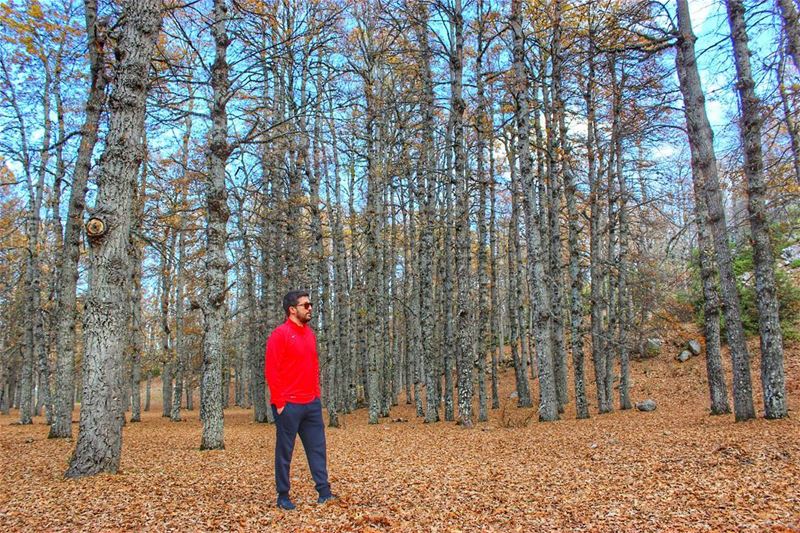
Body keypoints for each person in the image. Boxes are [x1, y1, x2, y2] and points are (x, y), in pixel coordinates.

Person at [265, 290, 335, 510]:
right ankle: (283, 495)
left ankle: (324, 492)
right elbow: (271, 370)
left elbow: (312, 368)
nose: (310, 308)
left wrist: (316, 395)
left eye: (310, 304)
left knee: (317, 449)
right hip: (289, 405)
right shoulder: (280, 334)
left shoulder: (310, 334)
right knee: (285, 452)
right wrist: (280, 402)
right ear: (292, 310)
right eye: (306, 305)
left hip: (311, 404)